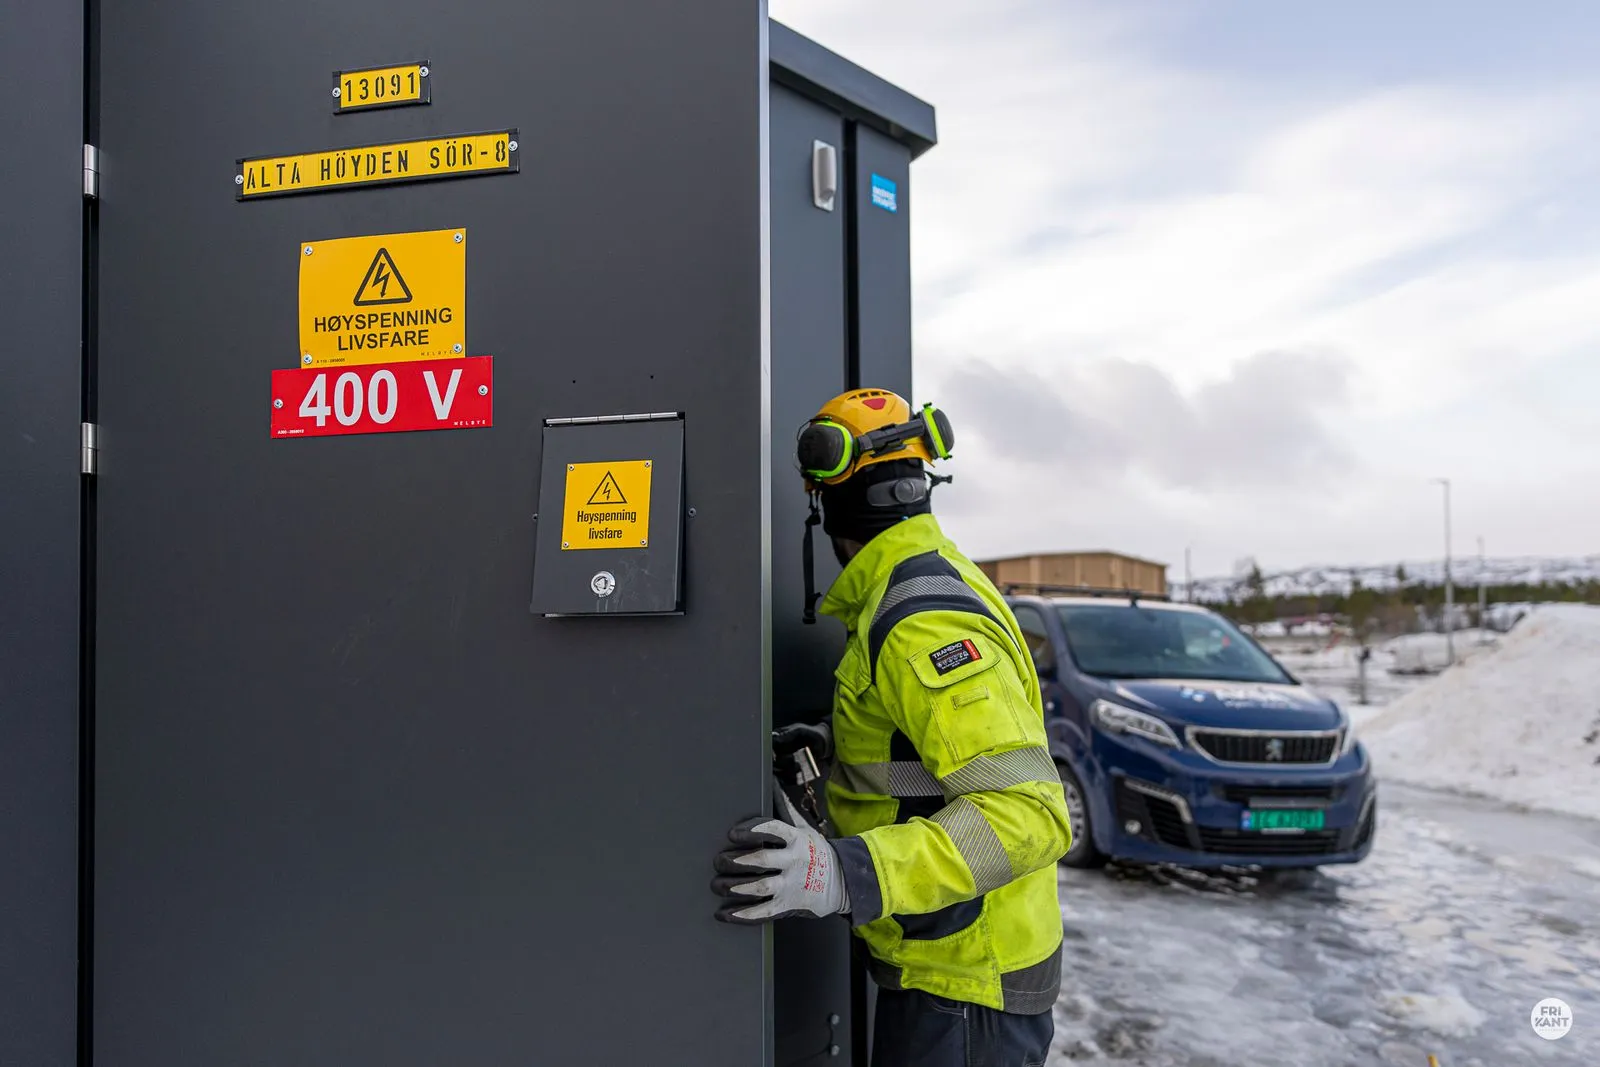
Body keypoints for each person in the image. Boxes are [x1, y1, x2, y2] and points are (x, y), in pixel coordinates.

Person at [711, 389, 1072, 1067]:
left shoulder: (919, 624)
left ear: (827, 503)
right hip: (954, 972)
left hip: (968, 991)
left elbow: (1031, 814)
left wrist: (845, 873)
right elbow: (931, 749)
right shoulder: (925, 581)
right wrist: (832, 745)